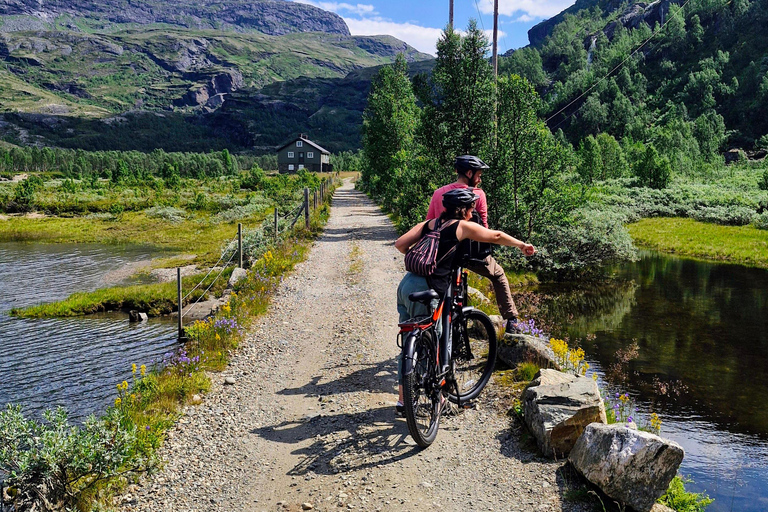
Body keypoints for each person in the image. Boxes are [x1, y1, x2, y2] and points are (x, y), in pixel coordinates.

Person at [394, 188, 535, 414]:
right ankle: (437, 401)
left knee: (410, 338)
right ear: (464, 210)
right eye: (471, 208)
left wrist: (423, 257)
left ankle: (403, 402)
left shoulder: (430, 223)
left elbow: (400, 244)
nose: (472, 213)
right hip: (428, 289)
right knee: (434, 342)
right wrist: (521, 245)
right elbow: (496, 236)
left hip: (407, 286)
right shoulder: (460, 226)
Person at [426, 155, 526, 335]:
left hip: (442, 254)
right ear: (469, 173)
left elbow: (429, 223)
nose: (480, 179)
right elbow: (485, 229)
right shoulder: (478, 194)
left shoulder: (438, 193)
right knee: (498, 274)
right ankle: (511, 320)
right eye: (479, 175)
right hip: (469, 254)